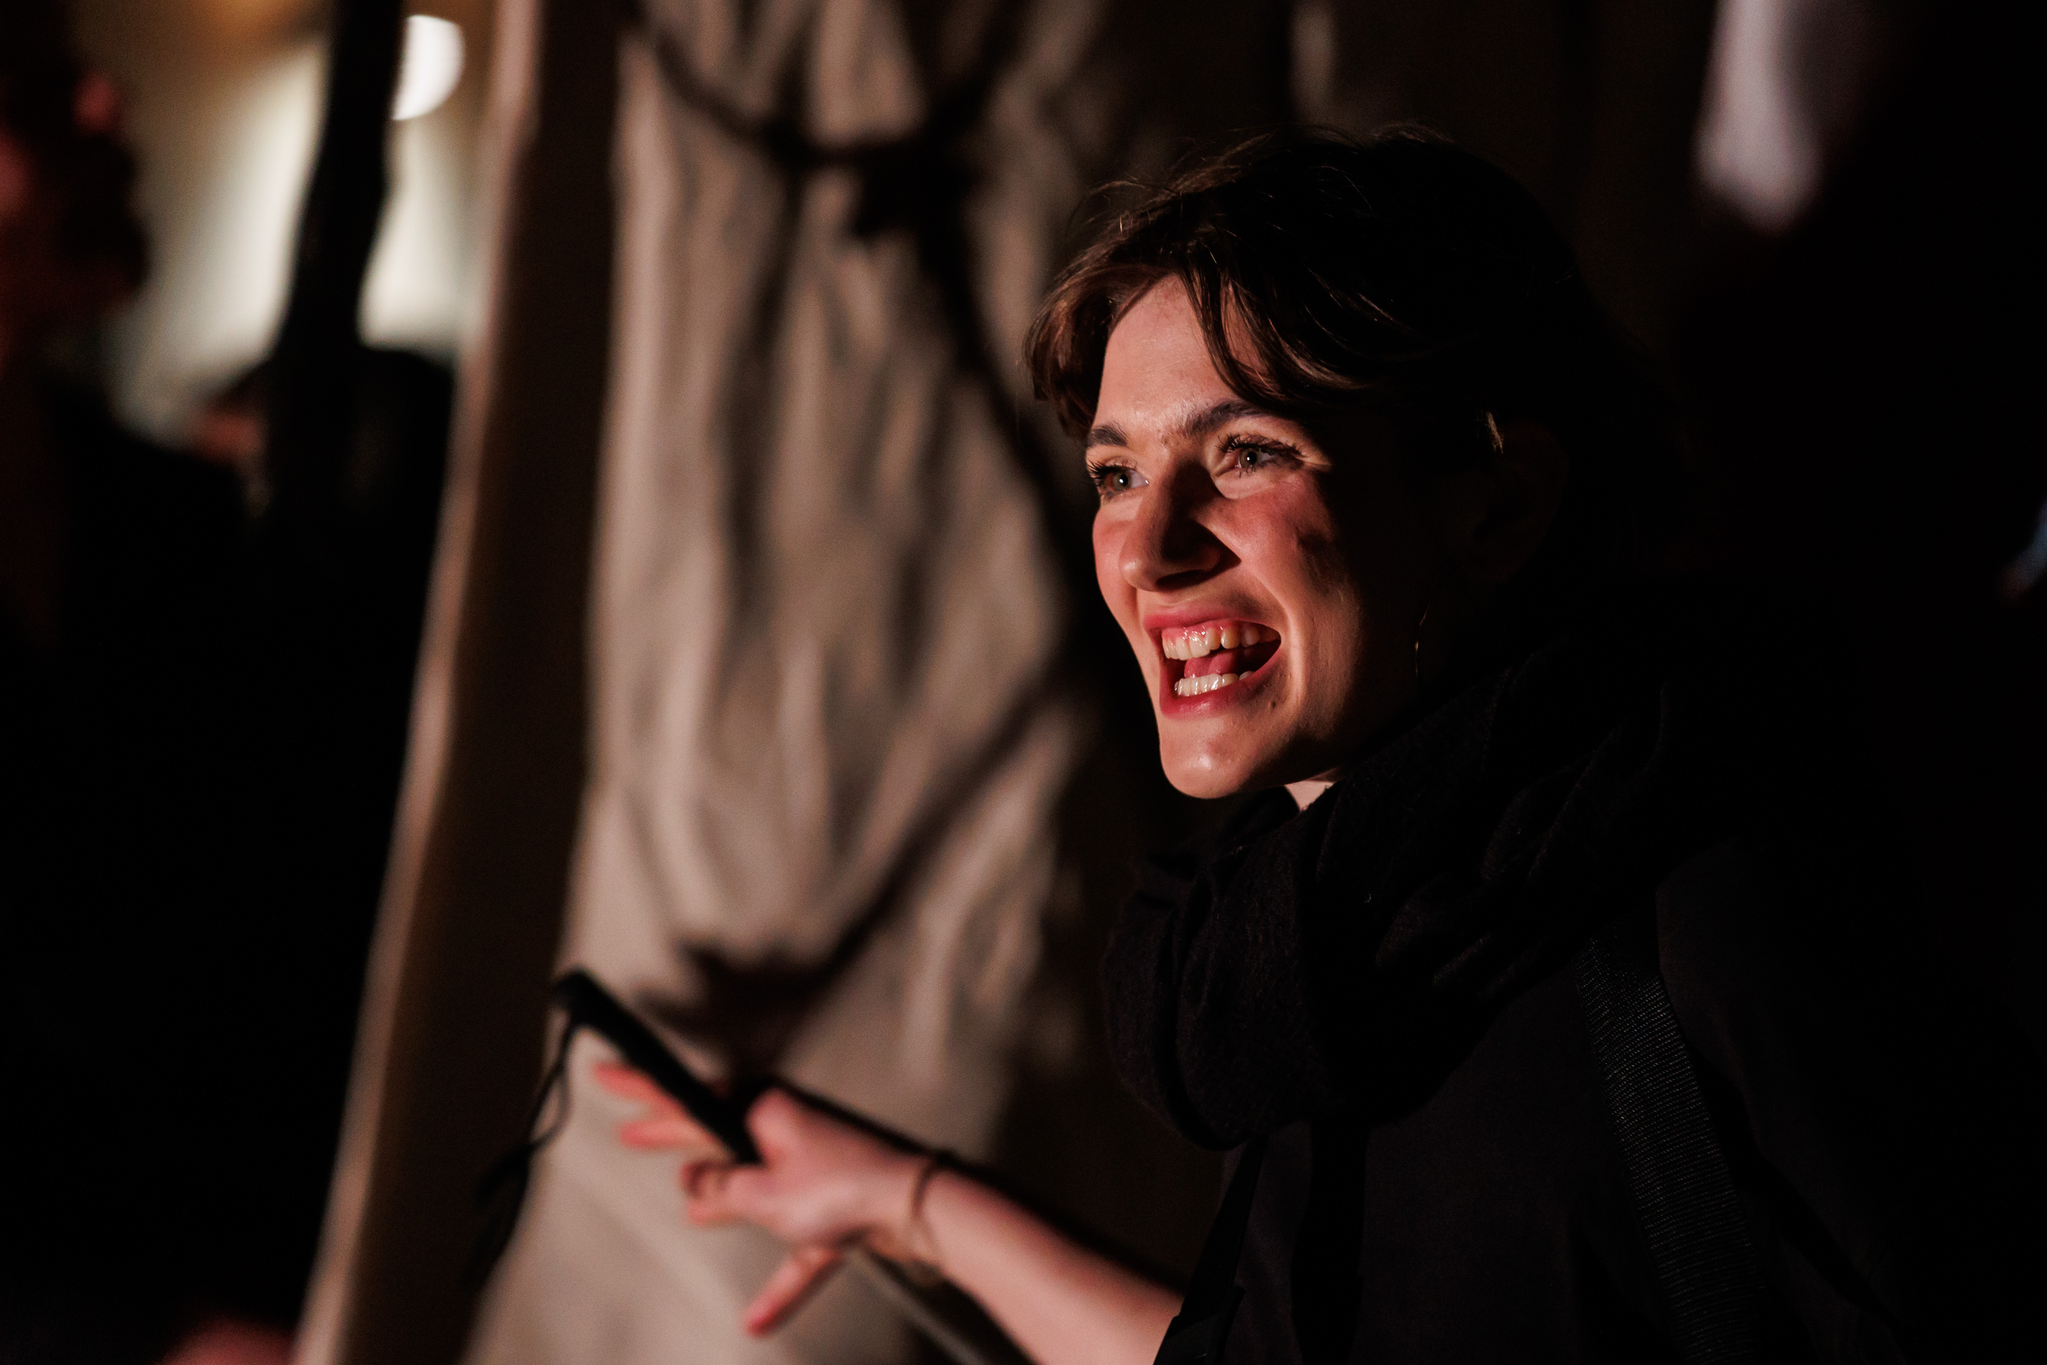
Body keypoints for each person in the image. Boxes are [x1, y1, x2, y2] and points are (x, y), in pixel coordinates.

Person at [595, 130, 2041, 1363]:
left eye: (1247, 453)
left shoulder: (1715, 910)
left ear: (1495, 506)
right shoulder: (1338, 945)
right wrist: (913, 1205)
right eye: (1116, 472)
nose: (1146, 552)